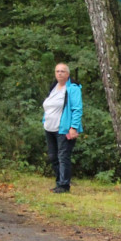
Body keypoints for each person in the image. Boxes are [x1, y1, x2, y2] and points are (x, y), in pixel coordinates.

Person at [41, 63, 82, 194]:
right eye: (57, 71)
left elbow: (77, 109)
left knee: (63, 156)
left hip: (63, 129)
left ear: (68, 74)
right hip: (49, 128)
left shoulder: (72, 89)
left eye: (62, 71)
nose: (59, 73)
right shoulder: (54, 87)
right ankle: (59, 182)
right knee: (53, 156)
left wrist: (73, 127)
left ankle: (64, 185)